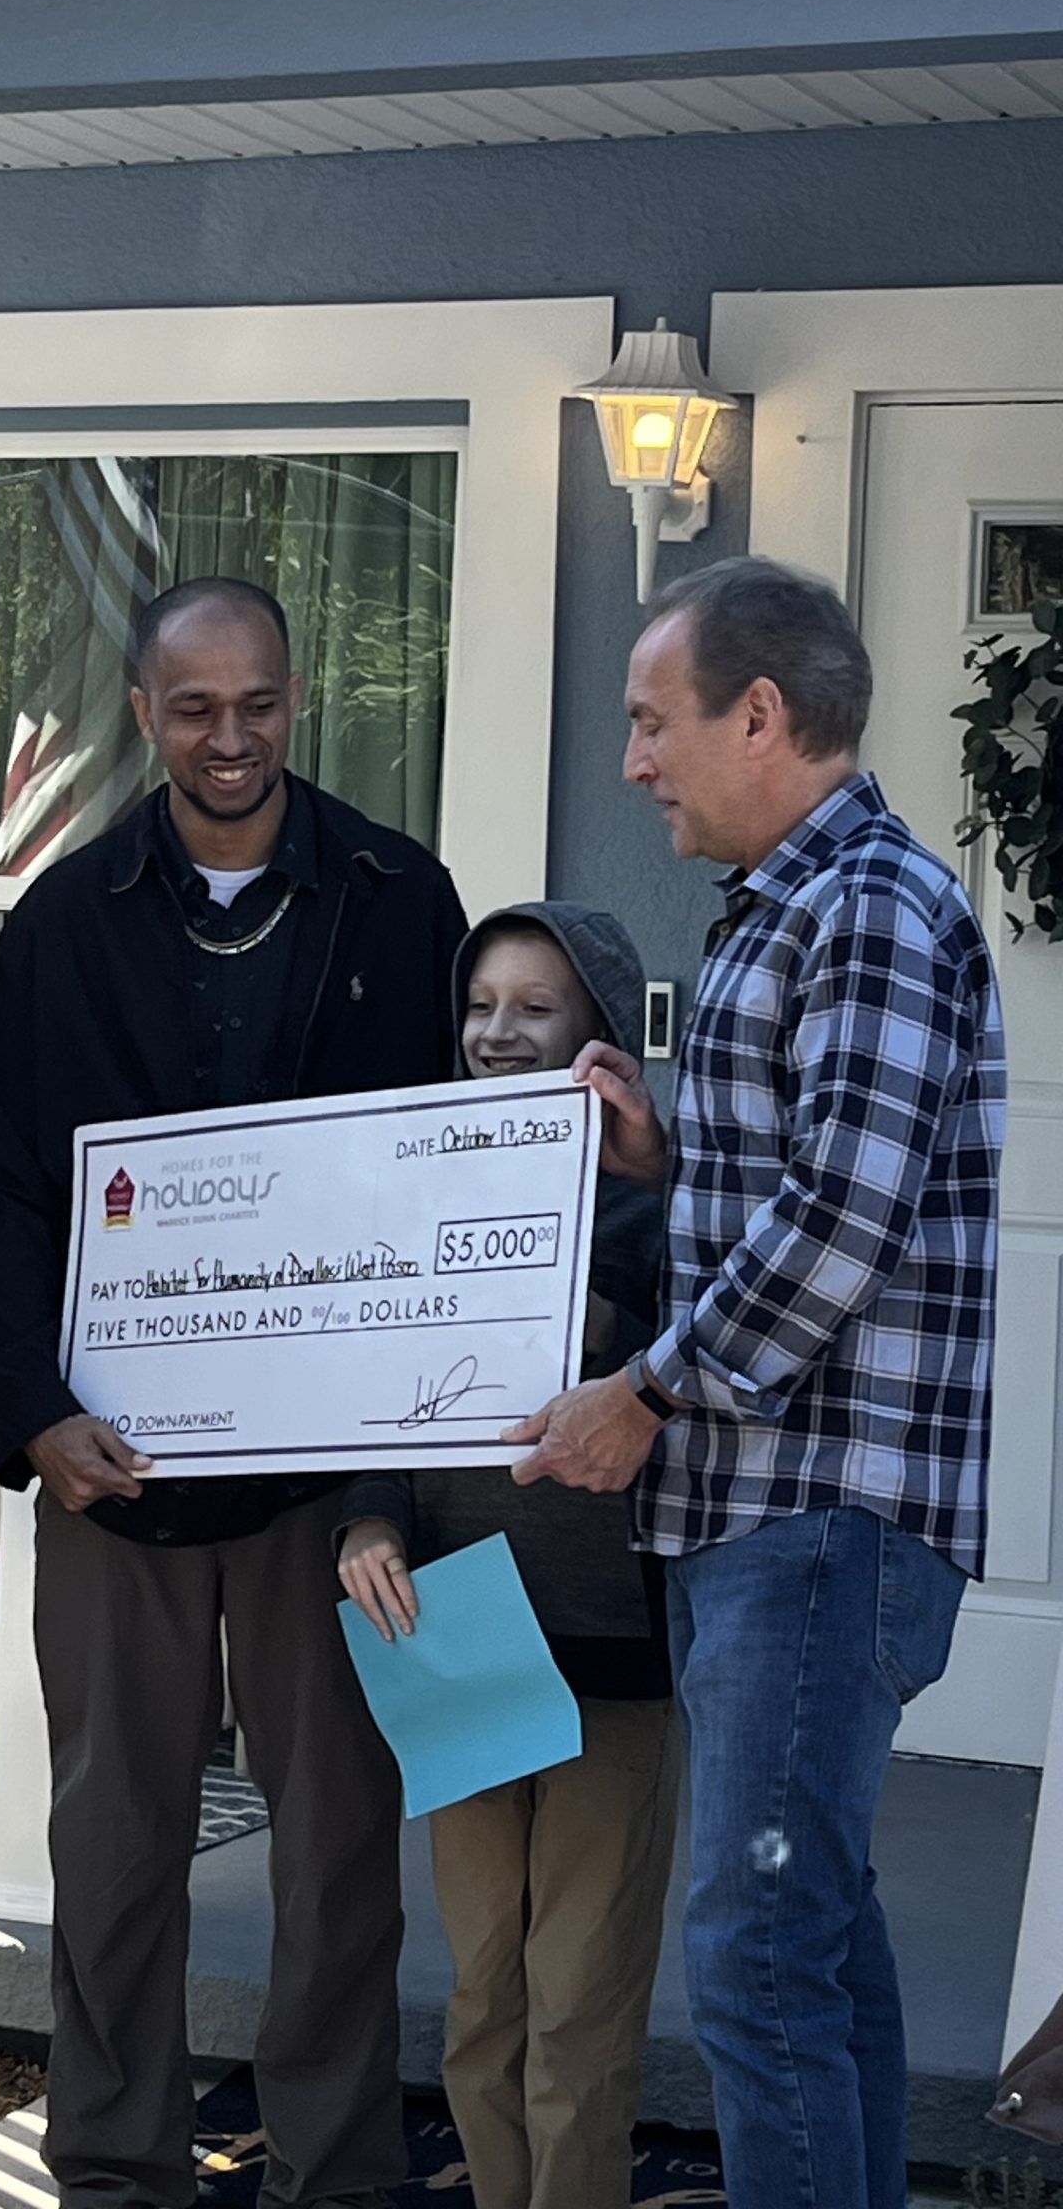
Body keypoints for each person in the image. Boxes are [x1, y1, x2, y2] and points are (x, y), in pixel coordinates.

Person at [0, 574, 468, 2209]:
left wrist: (406, 1455)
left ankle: (336, 2172)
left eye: (256, 704)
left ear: (295, 699)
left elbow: (446, 1168)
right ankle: (112, 2168)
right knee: (113, 1853)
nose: (228, 738)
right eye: (194, 708)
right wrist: (27, 1409)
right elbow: (6, 1185)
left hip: (331, 1485)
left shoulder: (399, 897)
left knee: (336, 1854)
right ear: (142, 713)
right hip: (118, 1462)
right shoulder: (65, 917)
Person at [507, 556, 1006, 2209]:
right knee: (821, 1942)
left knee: (752, 1957)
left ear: (762, 713)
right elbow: (811, 1175)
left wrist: (640, 1391)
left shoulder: (869, 905)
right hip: (777, 1518)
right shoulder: (796, 909)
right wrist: (666, 1147)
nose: (635, 759)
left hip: (819, 1516)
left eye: (655, 721)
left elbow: (841, 1224)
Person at [335, 902, 675, 2209]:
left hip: (612, 1647)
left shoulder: (670, 1202)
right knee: (482, 1994)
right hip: (458, 1624)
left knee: (581, 2004)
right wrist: (368, 1515)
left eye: (535, 1009)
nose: (499, 1033)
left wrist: (648, 1180)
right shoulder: (417, 1184)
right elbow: (376, 1379)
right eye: (482, 1007)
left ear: (597, 1024)